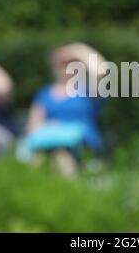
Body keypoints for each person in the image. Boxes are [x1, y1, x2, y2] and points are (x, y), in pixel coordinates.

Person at [18, 43, 106, 175]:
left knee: (62, 156)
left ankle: (67, 189)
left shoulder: (88, 90)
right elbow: (33, 125)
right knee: (39, 158)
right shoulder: (44, 93)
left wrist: (76, 49)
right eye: (62, 64)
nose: (66, 68)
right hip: (47, 140)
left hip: (80, 143)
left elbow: (102, 70)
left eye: (72, 63)